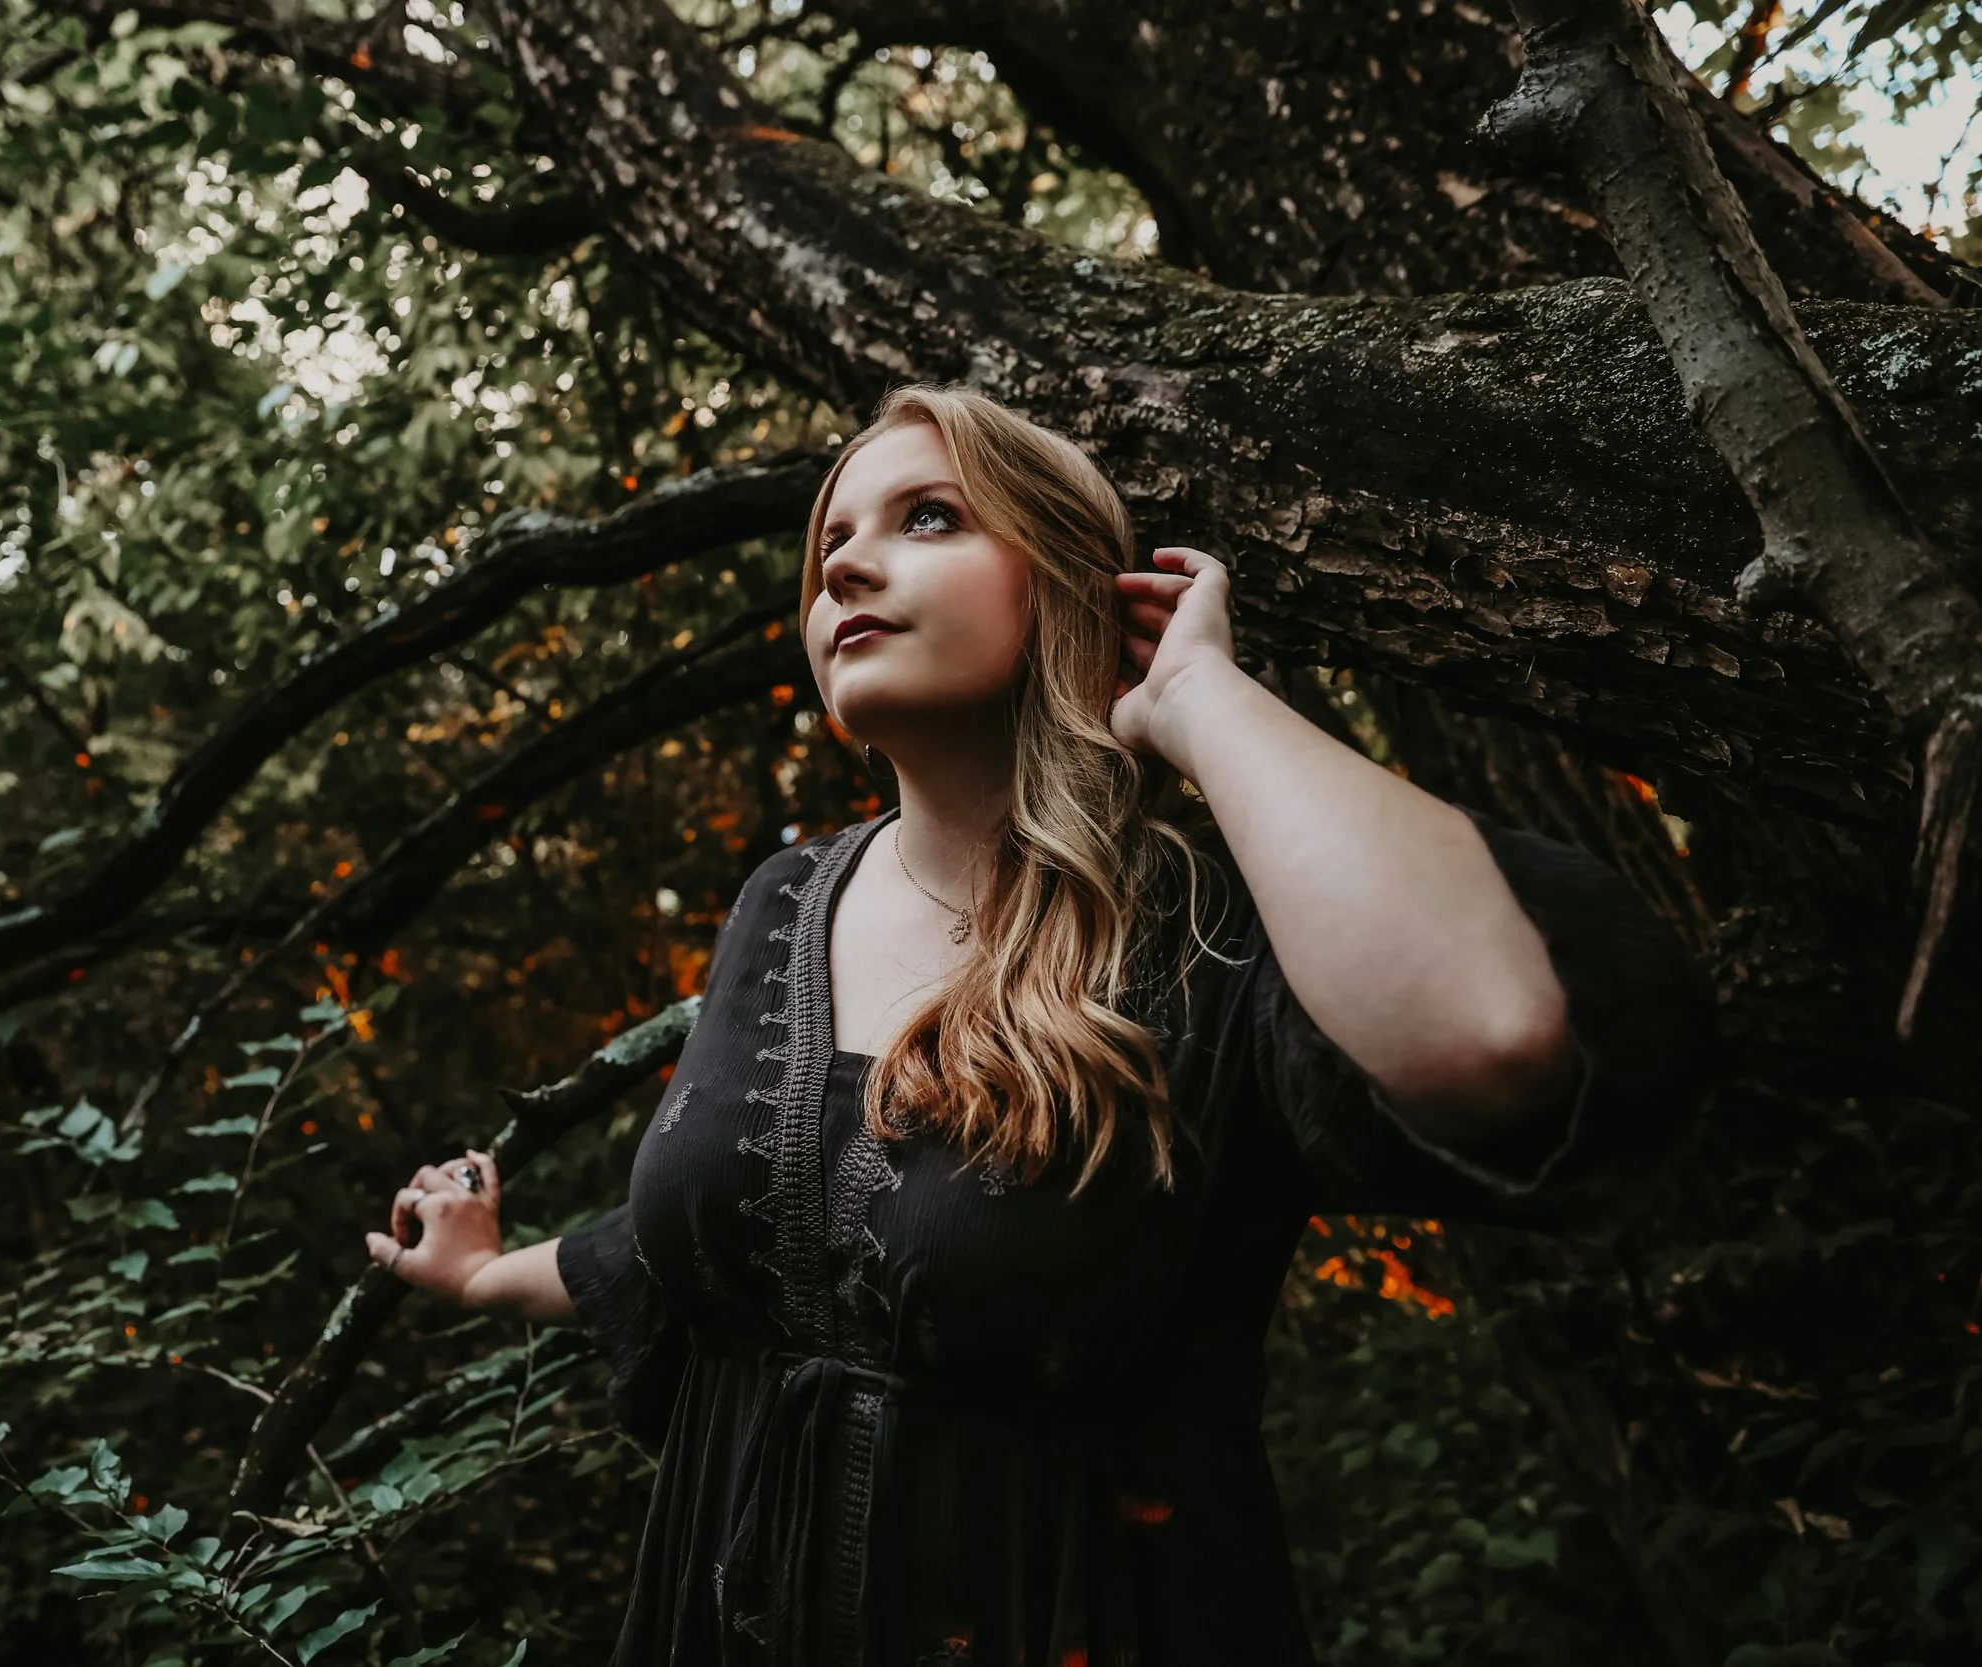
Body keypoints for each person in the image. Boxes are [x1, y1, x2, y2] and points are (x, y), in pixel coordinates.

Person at [363, 384, 1714, 1666]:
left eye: (928, 517)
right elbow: (762, 1232)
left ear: (1068, 583)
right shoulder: (782, 899)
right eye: (831, 539)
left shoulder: (1204, 929)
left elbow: (1493, 1032)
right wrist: (489, 1274)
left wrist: (1198, 700)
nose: (841, 566)